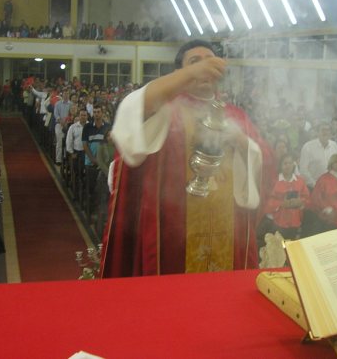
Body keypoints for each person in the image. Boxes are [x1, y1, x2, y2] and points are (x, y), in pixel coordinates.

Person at [100, 39, 273, 277]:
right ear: (179, 72)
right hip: (172, 237)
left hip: (229, 234)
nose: (204, 66)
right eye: (194, 61)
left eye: (209, 61)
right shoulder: (166, 109)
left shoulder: (236, 116)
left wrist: (240, 141)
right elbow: (134, 109)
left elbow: (265, 165)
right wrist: (190, 74)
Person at [256, 154, 310, 246]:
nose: (288, 165)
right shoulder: (273, 181)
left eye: (290, 163)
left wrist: (300, 202)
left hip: (295, 221)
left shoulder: (300, 181)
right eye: (285, 163)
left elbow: (307, 198)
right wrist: (281, 204)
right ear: (280, 166)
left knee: (291, 248)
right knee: (278, 249)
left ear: (294, 164)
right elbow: (266, 200)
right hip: (276, 223)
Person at [299, 123, 337, 188]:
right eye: (323, 130)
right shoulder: (308, 147)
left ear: (330, 132)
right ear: (317, 132)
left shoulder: (334, 146)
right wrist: (315, 185)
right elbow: (303, 170)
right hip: (313, 186)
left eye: (328, 130)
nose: (325, 132)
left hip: (332, 186)